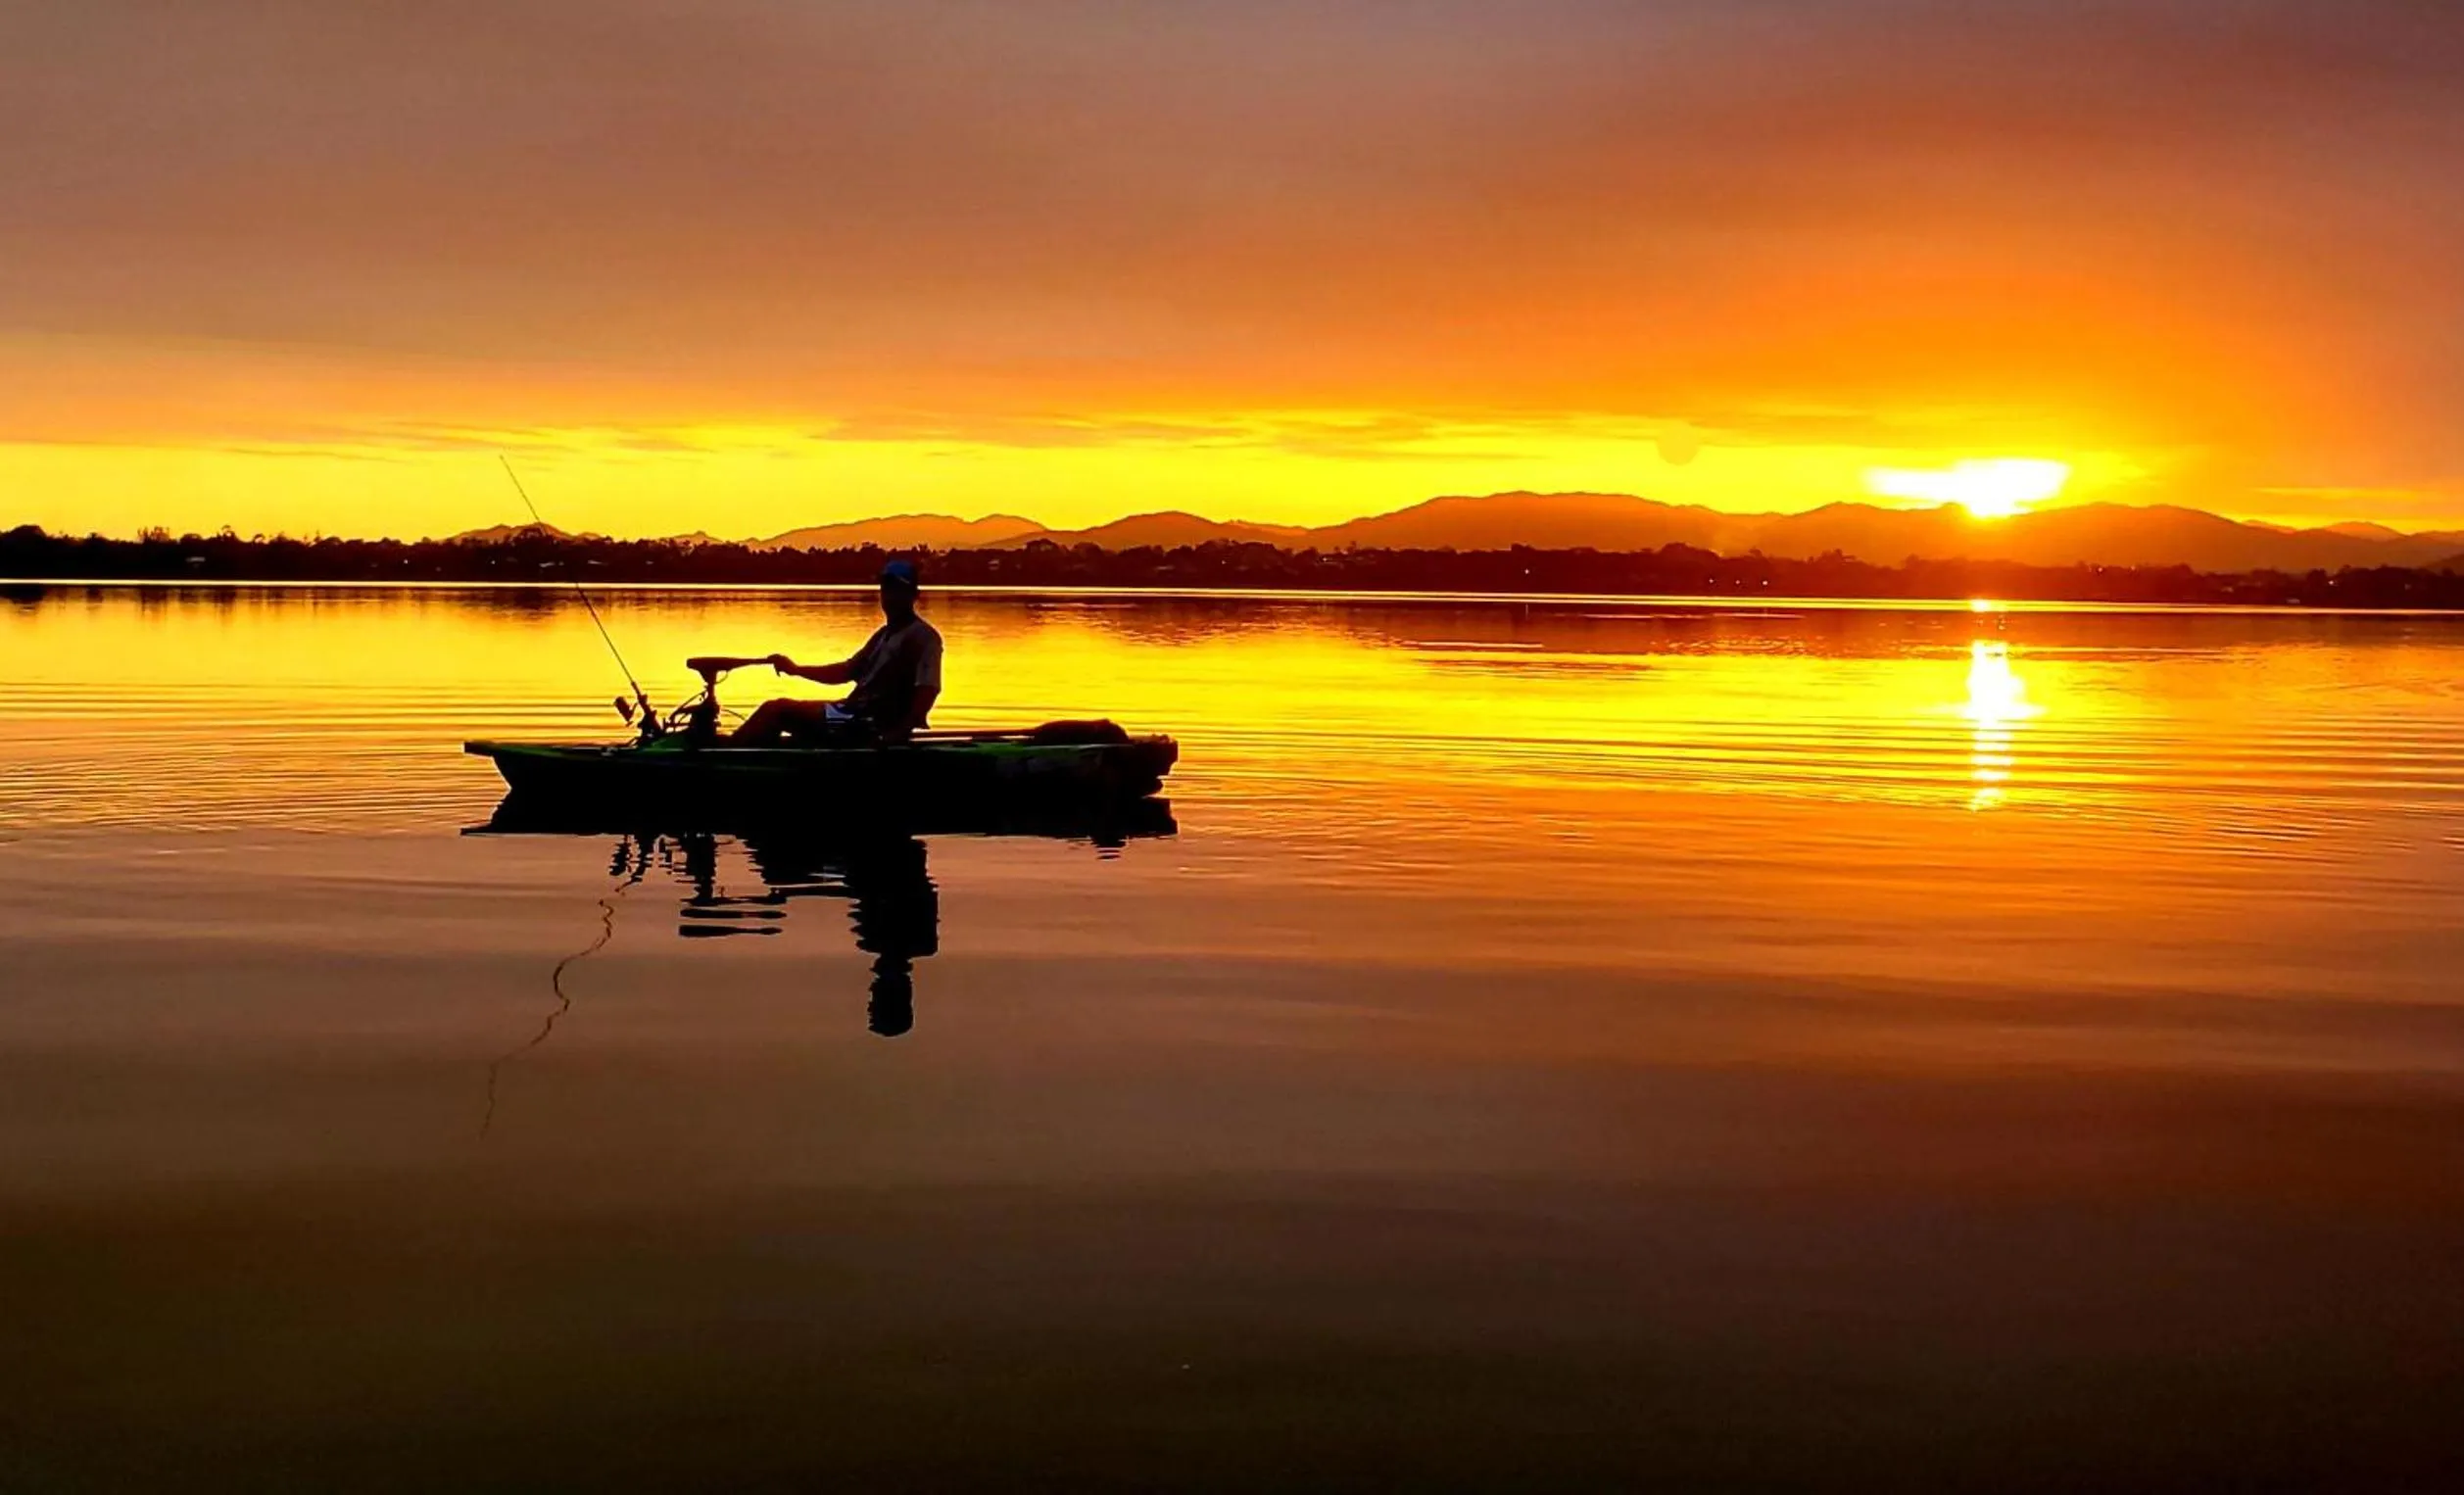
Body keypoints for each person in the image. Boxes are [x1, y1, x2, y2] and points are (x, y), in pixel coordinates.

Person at [730, 559, 943, 745]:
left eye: (897, 589)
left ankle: (726, 758)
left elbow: (928, 690)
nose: (889, 596)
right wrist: (795, 670)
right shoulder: (883, 635)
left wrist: (898, 734)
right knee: (781, 714)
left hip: (867, 721)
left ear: (913, 595)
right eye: (886, 588)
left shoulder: (924, 637)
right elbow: (845, 672)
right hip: (851, 712)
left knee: (776, 710)